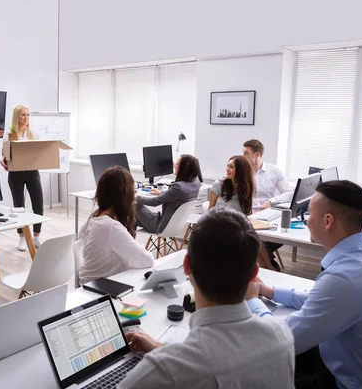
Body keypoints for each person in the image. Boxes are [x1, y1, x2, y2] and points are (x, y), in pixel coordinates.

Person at [247, 180, 362, 389]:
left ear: (328, 220)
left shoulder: (344, 278)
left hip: (354, 383)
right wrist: (270, 292)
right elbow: (324, 301)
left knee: (253, 369)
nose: (307, 219)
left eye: (309, 212)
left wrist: (252, 301)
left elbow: (278, 341)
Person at [118, 208, 294, 389]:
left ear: (186, 266)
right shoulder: (281, 335)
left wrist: (163, 356)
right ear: (254, 274)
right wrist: (160, 348)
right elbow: (222, 359)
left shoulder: (161, 370)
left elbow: (195, 362)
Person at [78, 166, 154, 284]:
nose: (134, 193)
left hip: (88, 282)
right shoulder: (111, 227)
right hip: (101, 286)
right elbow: (147, 260)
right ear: (124, 195)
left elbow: (82, 237)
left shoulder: (95, 217)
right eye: (132, 190)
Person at [0, 105, 44, 249]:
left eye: (28, 115)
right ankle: (22, 238)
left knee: (38, 204)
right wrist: (3, 160)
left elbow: (38, 154)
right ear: (16, 117)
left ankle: (36, 236)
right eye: (23, 115)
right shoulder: (9, 133)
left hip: (32, 172)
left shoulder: (34, 133)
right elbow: (5, 154)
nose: (26, 118)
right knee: (19, 206)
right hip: (16, 173)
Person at [135, 154, 201, 234]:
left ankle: (126, 242)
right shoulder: (195, 182)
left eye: (177, 164)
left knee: (132, 205)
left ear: (184, 168)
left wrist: (135, 197)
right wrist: (162, 193)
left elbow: (154, 202)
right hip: (176, 225)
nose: (174, 166)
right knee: (130, 218)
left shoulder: (178, 187)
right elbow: (176, 195)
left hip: (161, 226)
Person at [242, 139, 293, 211]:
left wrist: (271, 201)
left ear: (257, 155)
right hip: (245, 213)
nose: (242, 156)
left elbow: (289, 193)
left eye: (246, 153)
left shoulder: (274, 171)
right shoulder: (240, 171)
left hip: (266, 212)